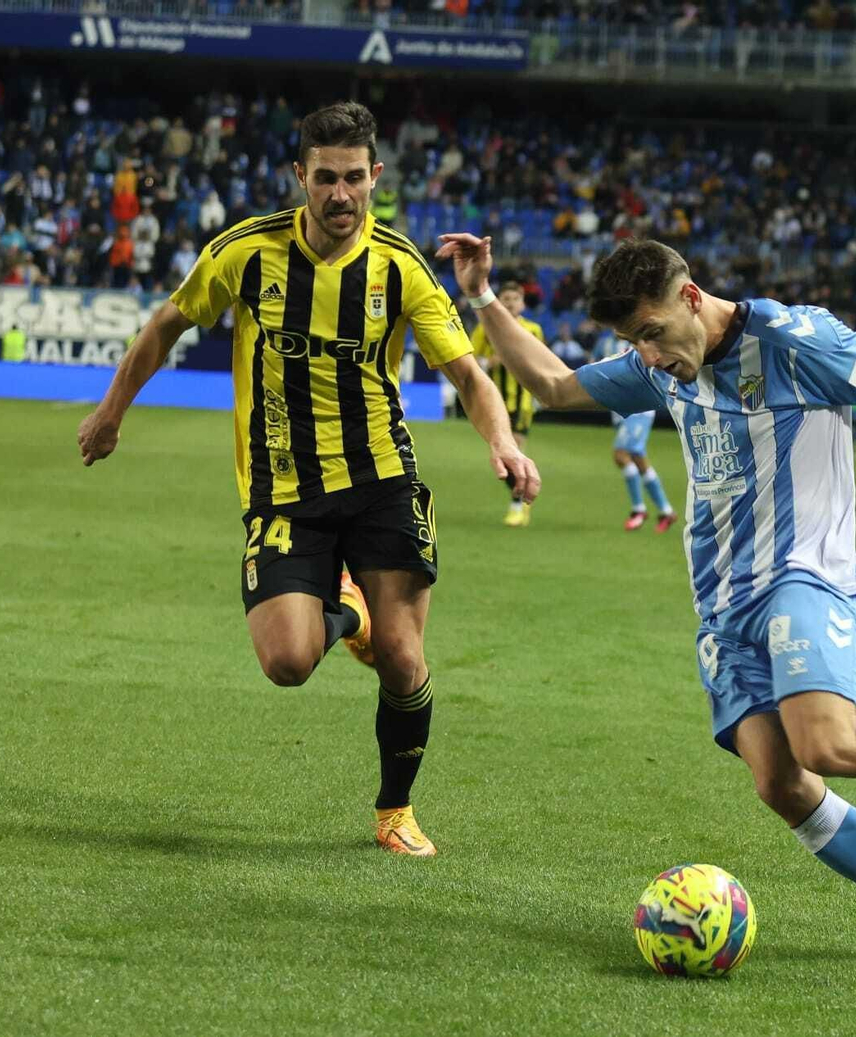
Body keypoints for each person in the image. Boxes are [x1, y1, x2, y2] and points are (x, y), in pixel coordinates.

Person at [439, 233, 856, 965]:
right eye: (631, 341)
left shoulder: (797, 340)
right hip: (722, 605)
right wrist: (480, 295)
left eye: (651, 332)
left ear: (690, 298)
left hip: (803, 574)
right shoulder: (662, 367)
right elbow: (552, 385)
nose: (646, 353)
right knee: (781, 783)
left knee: (828, 744)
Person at [77, 102, 539, 858]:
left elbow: (468, 373)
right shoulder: (245, 252)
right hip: (284, 488)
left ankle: (395, 810)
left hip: (382, 478)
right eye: (325, 177)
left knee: (403, 657)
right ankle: (347, 611)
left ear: (375, 176)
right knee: (287, 662)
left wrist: (503, 441)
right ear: (301, 176)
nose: (340, 194)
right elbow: (165, 325)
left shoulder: (400, 266)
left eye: (354, 177)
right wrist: (111, 412)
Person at [470, 282, 544, 527]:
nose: (511, 303)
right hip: (495, 402)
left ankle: (518, 505)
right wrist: (490, 361)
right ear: (498, 302)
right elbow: (471, 361)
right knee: (503, 457)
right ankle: (521, 500)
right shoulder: (485, 329)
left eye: (515, 298)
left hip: (522, 401)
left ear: (522, 303)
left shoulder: (533, 329)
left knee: (515, 450)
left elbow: (541, 360)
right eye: (506, 298)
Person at [594, 329, 676, 532]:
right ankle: (666, 511)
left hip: (640, 407)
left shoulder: (640, 342)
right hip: (620, 409)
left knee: (621, 454)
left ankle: (638, 510)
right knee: (638, 458)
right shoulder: (604, 343)